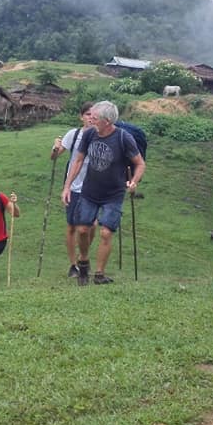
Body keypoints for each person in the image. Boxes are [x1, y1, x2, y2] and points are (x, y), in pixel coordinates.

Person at [61, 100, 145, 286]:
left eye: (95, 118)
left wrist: (134, 181)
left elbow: (140, 163)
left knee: (106, 233)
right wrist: (67, 186)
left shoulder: (124, 138)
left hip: (113, 194)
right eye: (90, 116)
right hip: (90, 191)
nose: (91, 120)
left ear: (106, 121)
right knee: (82, 229)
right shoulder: (90, 134)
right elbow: (78, 160)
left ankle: (99, 274)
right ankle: (83, 262)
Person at [52, 102, 97, 277]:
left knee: (92, 225)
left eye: (93, 115)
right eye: (87, 114)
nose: (90, 118)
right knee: (72, 226)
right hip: (74, 187)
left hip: (93, 186)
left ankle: (82, 257)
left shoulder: (100, 135)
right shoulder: (74, 134)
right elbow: (55, 156)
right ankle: (73, 265)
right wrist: (55, 147)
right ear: (81, 117)